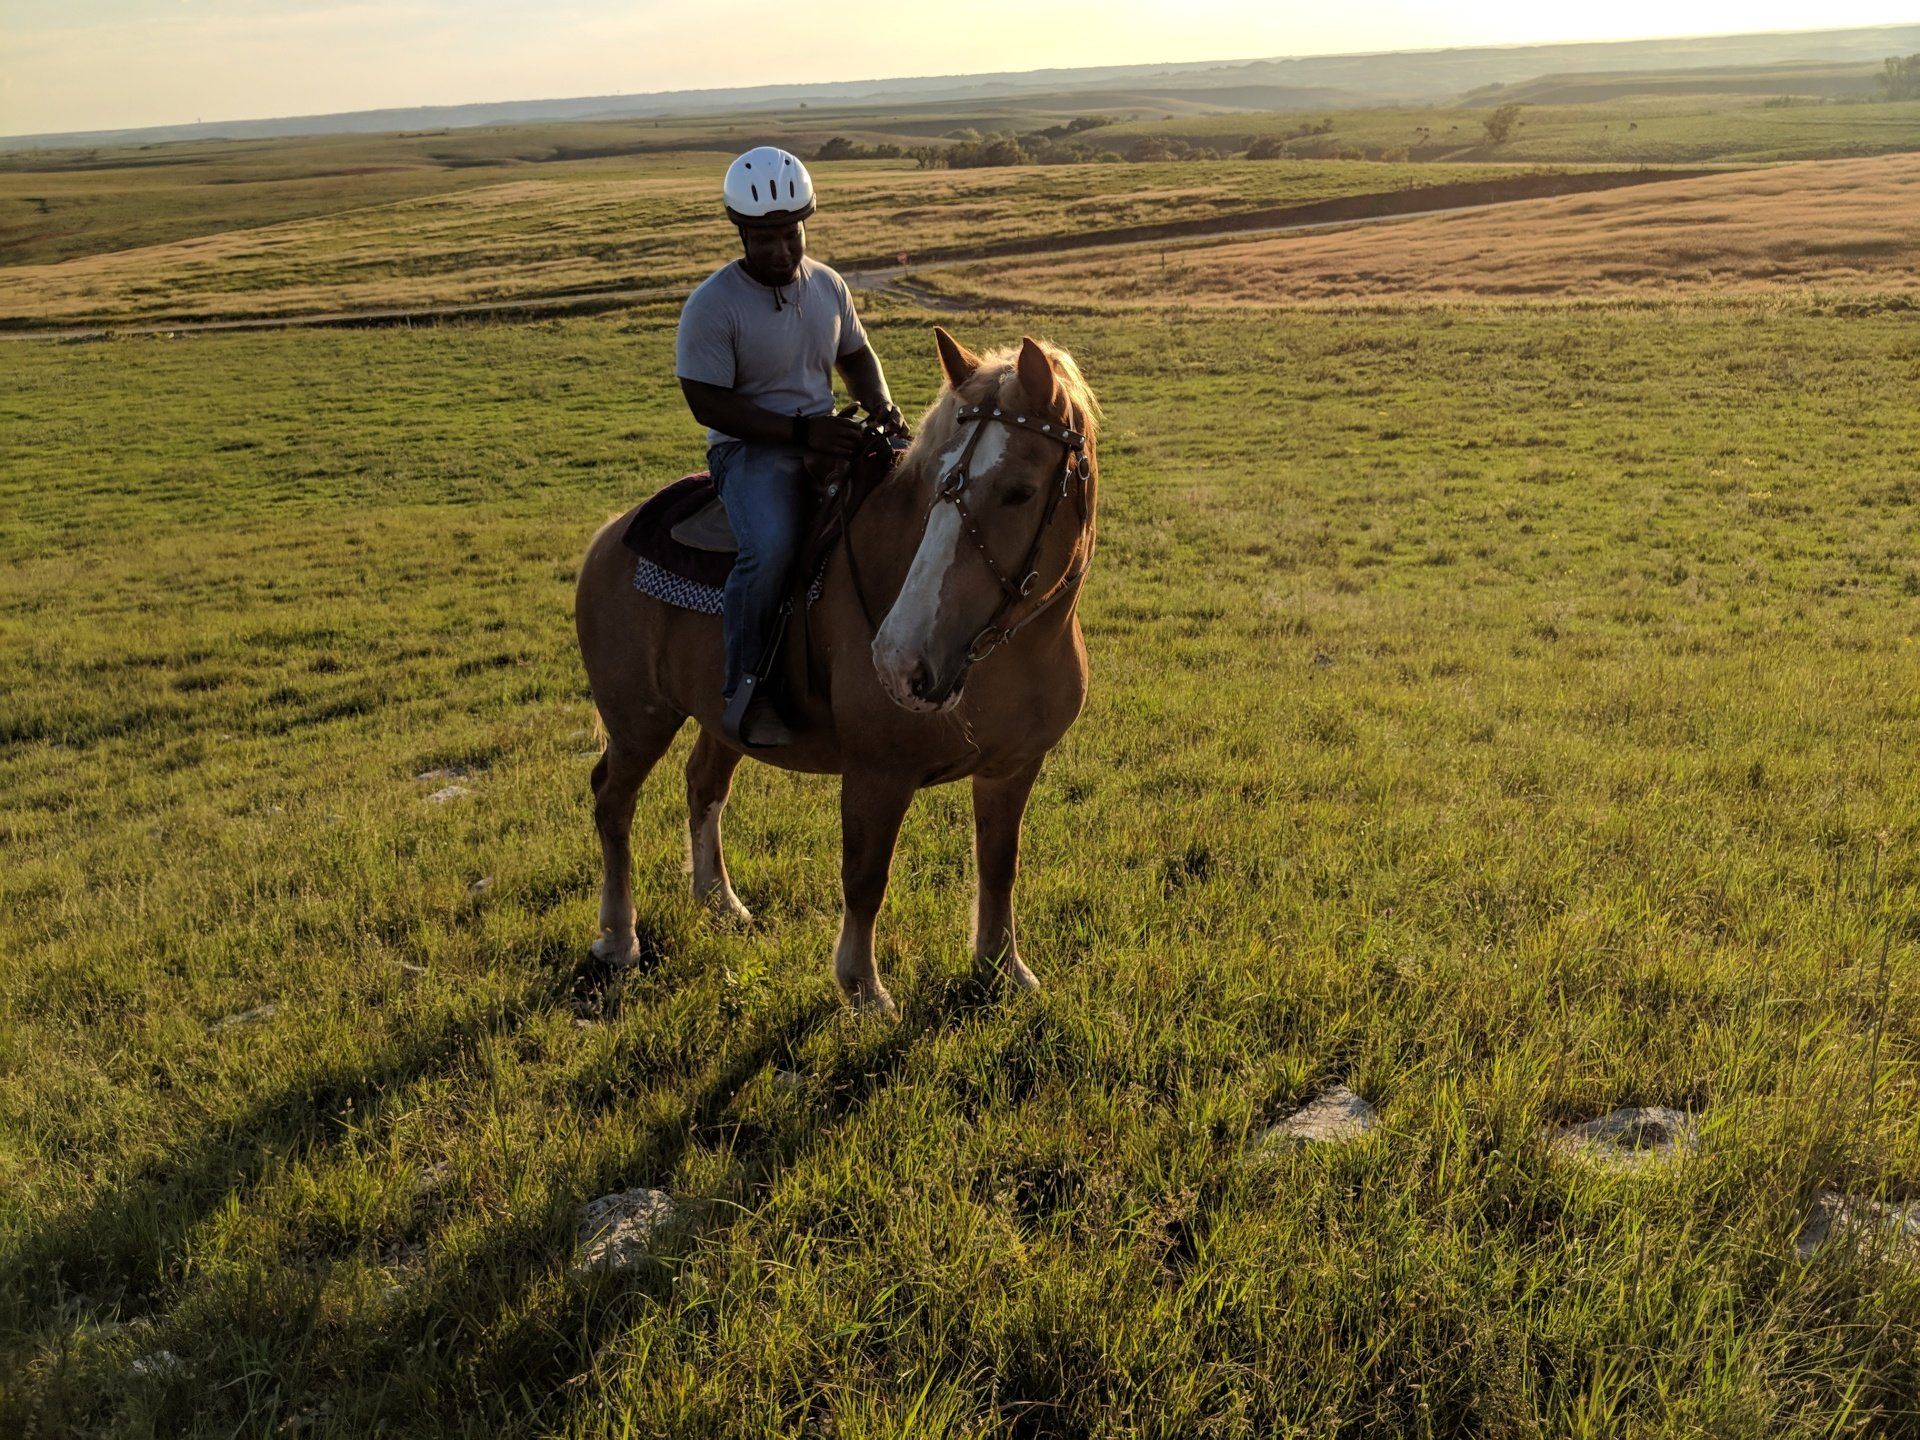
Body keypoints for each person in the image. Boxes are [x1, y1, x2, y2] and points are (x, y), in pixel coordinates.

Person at [675, 146, 906, 747]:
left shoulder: (828, 285)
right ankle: (747, 691)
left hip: (824, 434)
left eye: (788, 235)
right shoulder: (713, 304)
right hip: (749, 450)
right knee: (772, 548)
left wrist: (882, 407)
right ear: (741, 233)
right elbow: (707, 403)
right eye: (763, 239)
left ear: (805, 223)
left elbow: (855, 355)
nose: (779, 250)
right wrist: (801, 432)